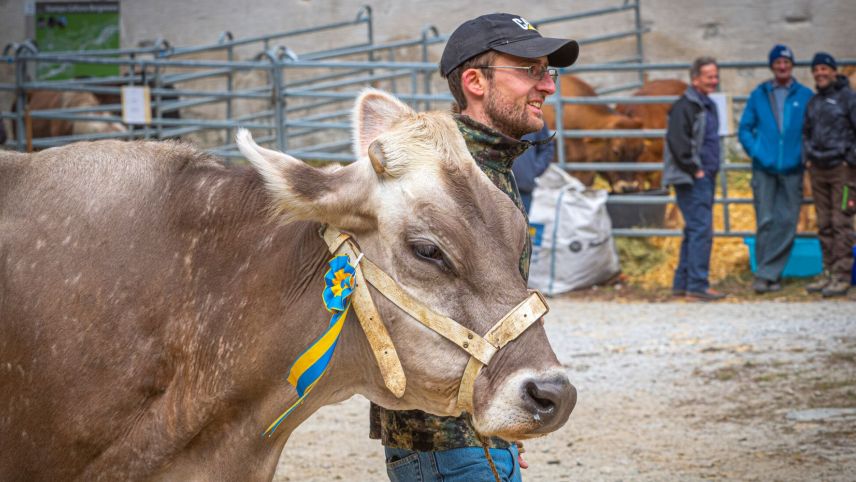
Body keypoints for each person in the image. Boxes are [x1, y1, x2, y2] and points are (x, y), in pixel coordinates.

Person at [371, 13, 579, 482]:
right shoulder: (434, 174)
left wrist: (508, 415)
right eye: (530, 70)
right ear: (474, 81)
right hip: (446, 443)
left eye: (549, 71)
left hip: (480, 435)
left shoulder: (491, 163)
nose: (547, 86)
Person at [738, 44, 814, 294]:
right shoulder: (760, 94)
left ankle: (768, 273)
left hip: (793, 168)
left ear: (792, 66)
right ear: (771, 66)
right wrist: (757, 151)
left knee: (787, 221)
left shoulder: (804, 95)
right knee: (766, 220)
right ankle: (766, 274)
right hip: (764, 168)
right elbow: (744, 128)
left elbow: (813, 129)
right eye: (778, 62)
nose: (782, 67)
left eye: (786, 62)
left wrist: (804, 155)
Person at [662, 57, 726, 301]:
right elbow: (678, 143)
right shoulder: (685, 106)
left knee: (694, 229)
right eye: (709, 76)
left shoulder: (705, 104)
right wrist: (694, 169)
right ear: (695, 78)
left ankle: (683, 283)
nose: (714, 80)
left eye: (715, 76)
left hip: (704, 175)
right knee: (701, 229)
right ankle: (698, 286)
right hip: (692, 178)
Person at [802, 52, 856, 297]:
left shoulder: (848, 99)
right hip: (819, 170)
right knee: (823, 223)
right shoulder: (814, 102)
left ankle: (842, 275)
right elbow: (806, 132)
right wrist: (809, 158)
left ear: (834, 71)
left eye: (825, 68)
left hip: (841, 171)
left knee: (841, 221)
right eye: (816, 69)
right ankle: (828, 271)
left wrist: (849, 160)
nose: (820, 73)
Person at [513, 123, 555, 214]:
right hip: (493, 188)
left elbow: (546, 146)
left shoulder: (532, 113)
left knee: (522, 225)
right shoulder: (491, 111)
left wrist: (533, 170)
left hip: (523, 189)